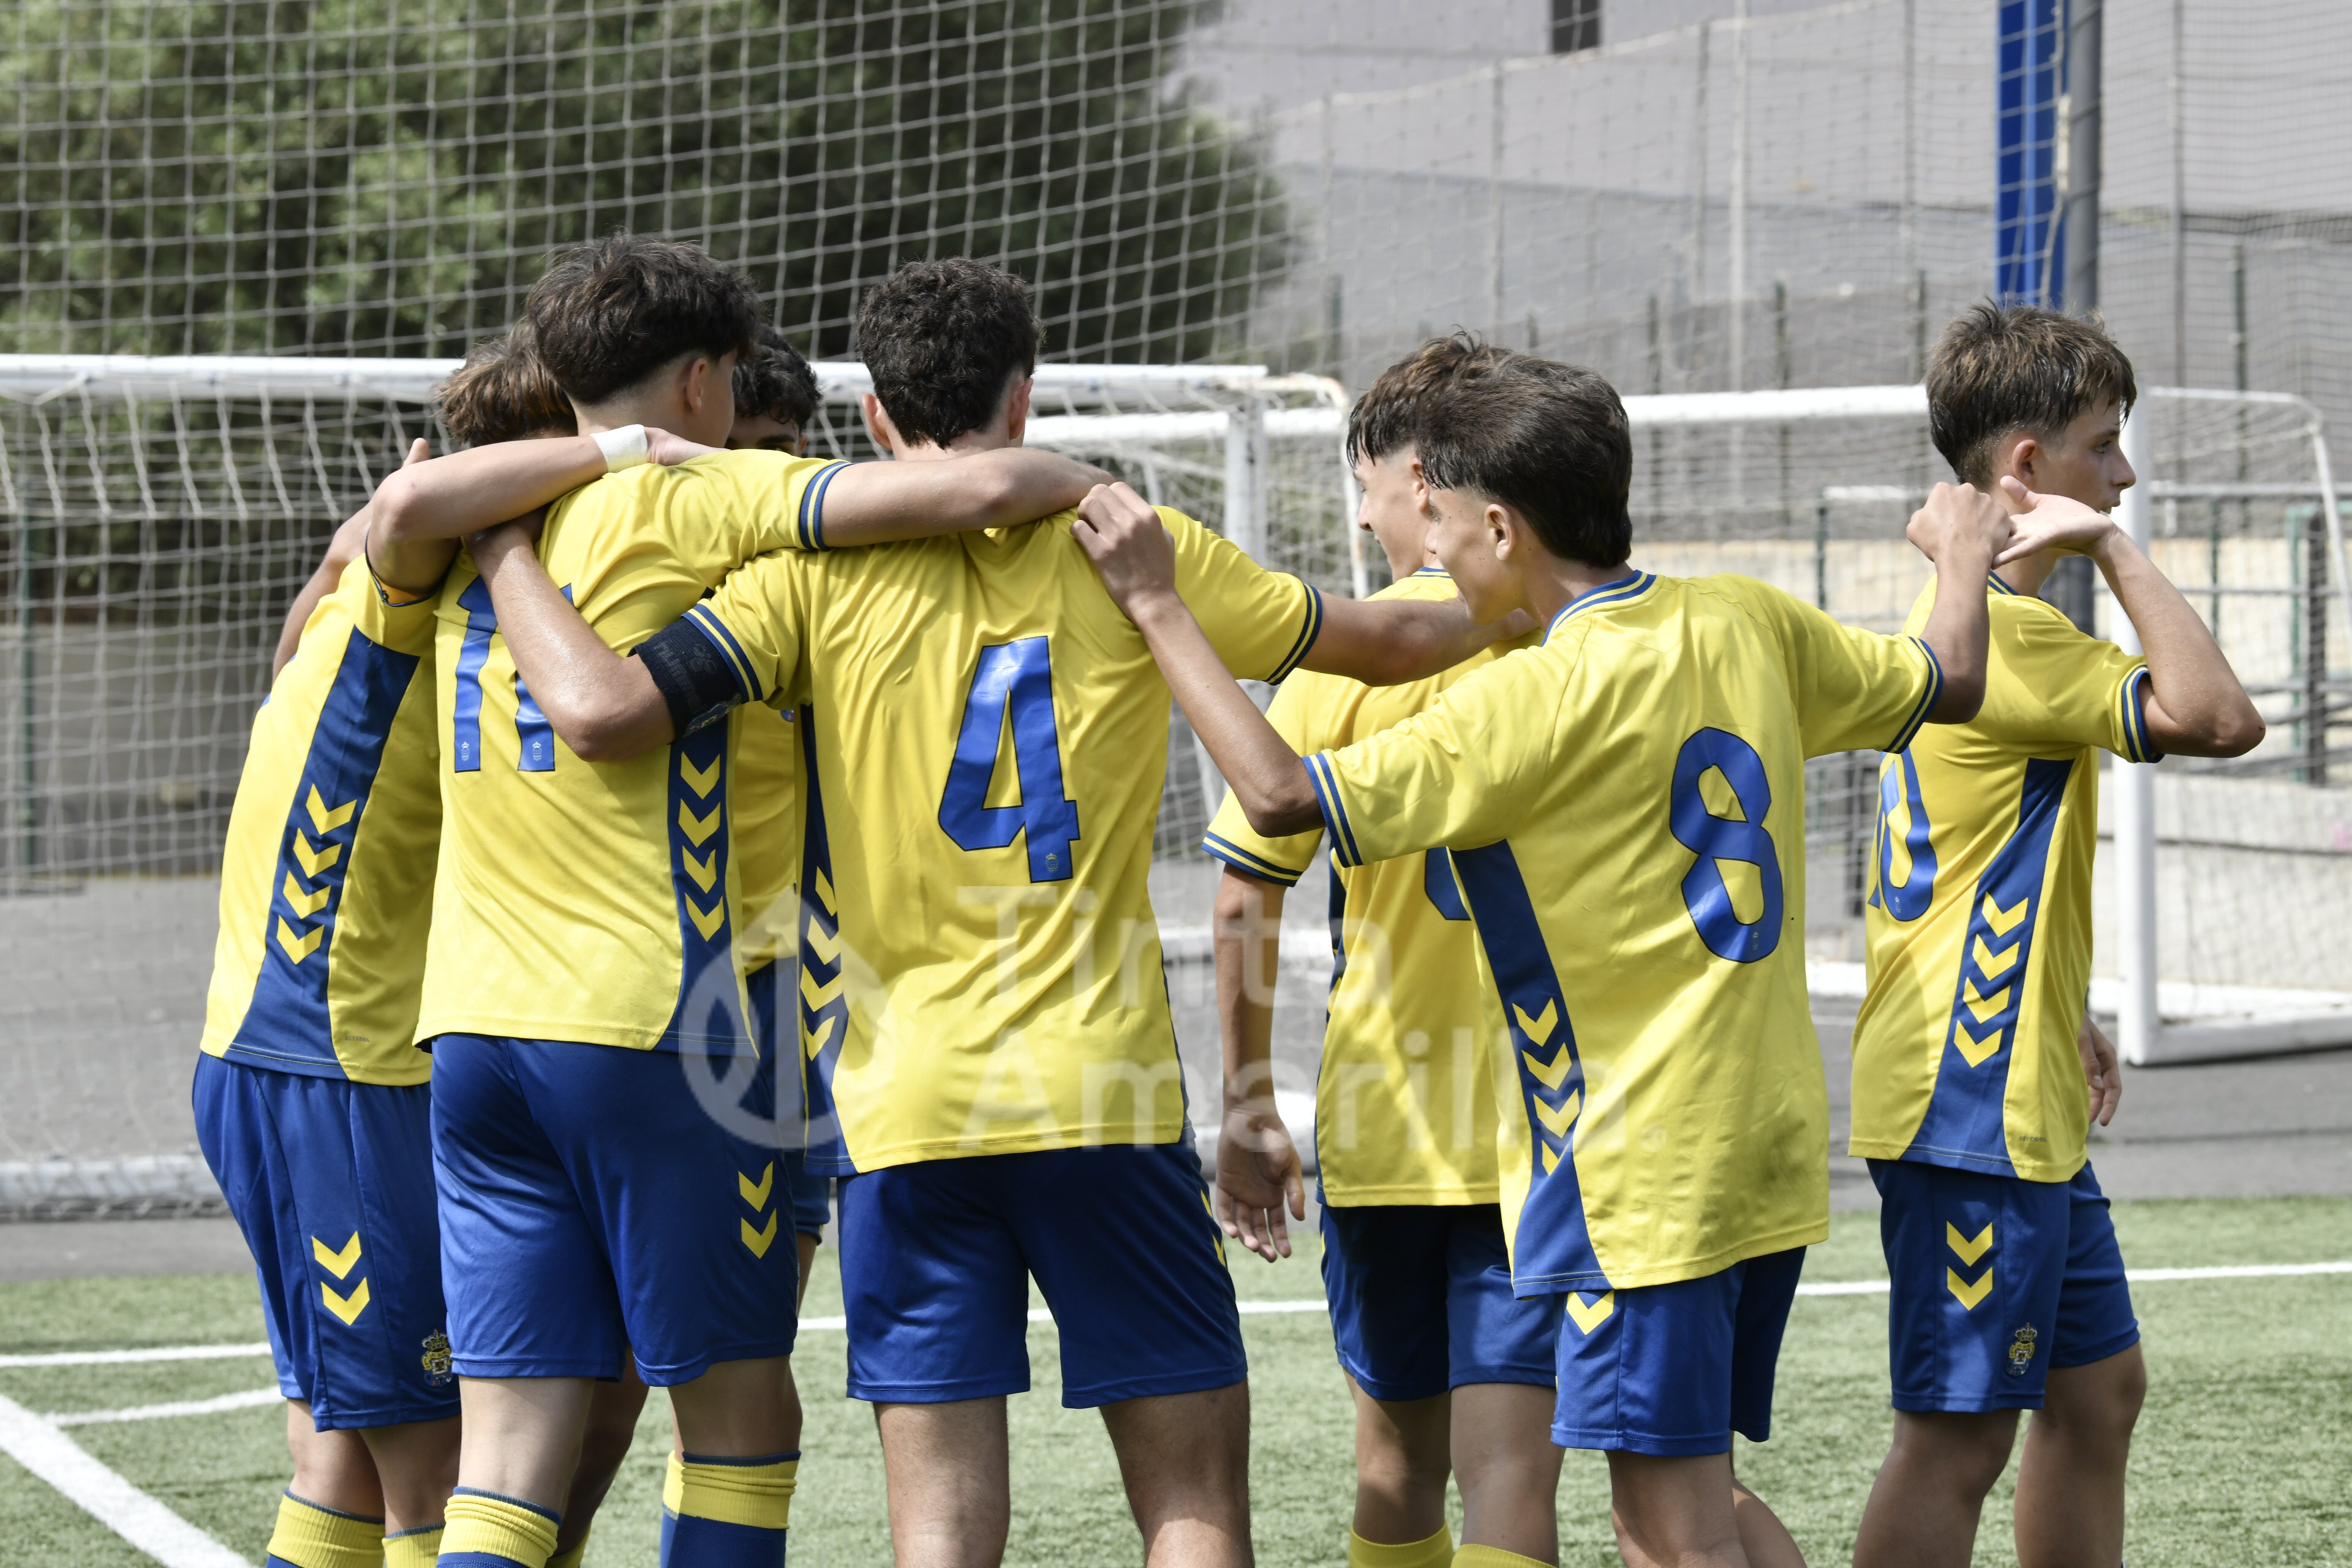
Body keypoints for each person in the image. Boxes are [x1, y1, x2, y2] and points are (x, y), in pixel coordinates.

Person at [456, 257, 1521, 1568]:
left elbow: (618, 705)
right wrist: (1551, 596)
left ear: (873, 423)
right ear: (1028, 396)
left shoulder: (802, 576)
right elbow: (1387, 642)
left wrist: (498, 545)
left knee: (941, 1530)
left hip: (906, 1111)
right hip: (1102, 1090)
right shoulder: (1139, 546)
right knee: (1189, 1503)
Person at [1066, 343, 2048, 1568]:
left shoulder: (1526, 698)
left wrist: (1160, 604)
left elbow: (1271, 797)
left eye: (1440, 525)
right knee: (1689, 1497)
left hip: (1631, 1173)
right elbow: (1950, 679)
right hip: (1768, 1144)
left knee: (1666, 1524)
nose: (1432, 553)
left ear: (1491, 520)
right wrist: (1961, 555)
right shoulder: (1745, 616)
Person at [361, 237, 1119, 1568]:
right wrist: (1081, 485)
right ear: (707, 381)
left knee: (508, 1458)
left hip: (477, 1032)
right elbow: (973, 488)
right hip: (676, 1026)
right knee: (738, 1422)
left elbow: (389, 513)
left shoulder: (479, 531)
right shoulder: (703, 499)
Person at [195, 331, 639, 1568]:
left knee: (342, 1462)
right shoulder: (424, 587)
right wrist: (643, 445)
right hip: (333, 1068)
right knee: (439, 1474)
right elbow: (405, 509)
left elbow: (370, 527)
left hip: (287, 1056)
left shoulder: (358, 580)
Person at [1847, 304, 2263, 1568]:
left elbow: (1976, 855)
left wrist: (2058, 998)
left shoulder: (1984, 621)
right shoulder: (2015, 638)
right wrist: (2119, 552)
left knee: (2097, 1390)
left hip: (2012, 1090)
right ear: (2027, 466)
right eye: (2105, 447)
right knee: (1957, 1437)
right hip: (1969, 1106)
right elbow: (2217, 714)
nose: (2124, 473)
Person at [1203, 337, 1559, 1568]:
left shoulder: (1340, 658)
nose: (1360, 517)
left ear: (1422, 477)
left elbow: (1246, 898)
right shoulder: (1582, 627)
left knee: (1398, 1465)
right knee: (1521, 1469)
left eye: (1365, 487)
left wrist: (1248, 1102)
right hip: (1554, 1120)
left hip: (1392, 1121)